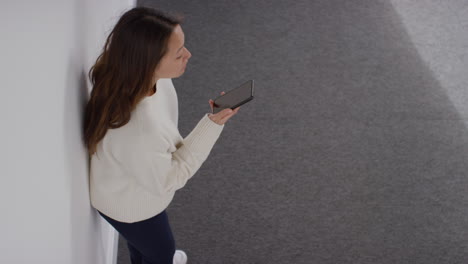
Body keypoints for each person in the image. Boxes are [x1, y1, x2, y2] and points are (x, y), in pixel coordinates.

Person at [83, 6, 240, 264]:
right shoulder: (138, 129)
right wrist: (212, 124)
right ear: (149, 62)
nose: (188, 55)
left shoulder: (130, 76)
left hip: (123, 187)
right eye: (179, 54)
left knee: (144, 250)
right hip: (132, 206)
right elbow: (171, 177)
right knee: (161, 252)